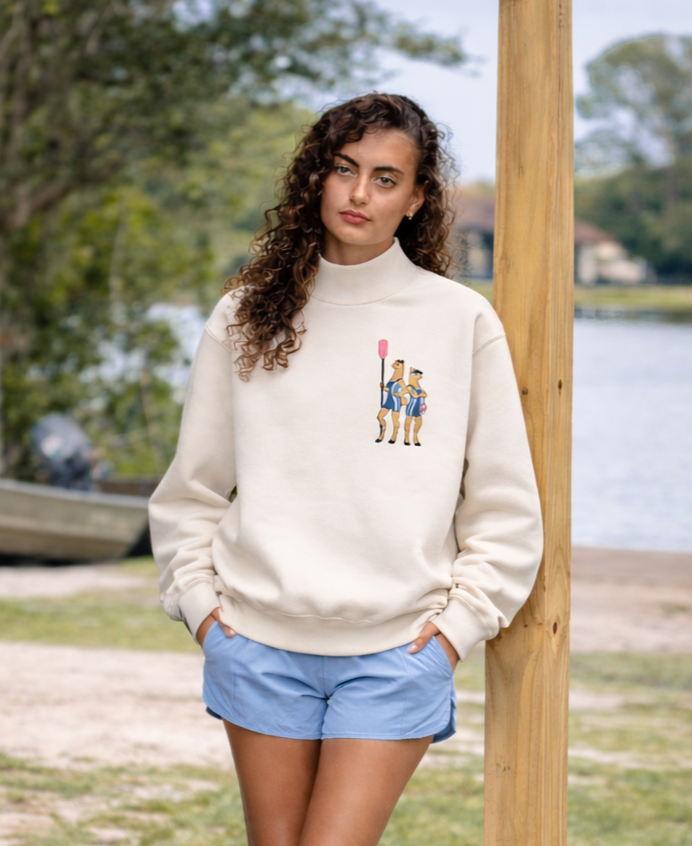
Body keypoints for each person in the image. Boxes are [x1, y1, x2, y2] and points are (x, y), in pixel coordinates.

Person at [149, 92, 543, 846]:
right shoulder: (246, 314)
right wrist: (202, 609)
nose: (360, 194)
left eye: (386, 178)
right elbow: (192, 488)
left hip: (398, 652)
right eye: (344, 168)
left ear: (418, 197)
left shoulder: (459, 322)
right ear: (316, 177)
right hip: (256, 645)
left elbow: (504, 508)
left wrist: (457, 628)